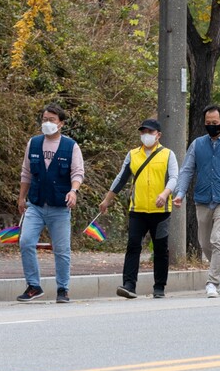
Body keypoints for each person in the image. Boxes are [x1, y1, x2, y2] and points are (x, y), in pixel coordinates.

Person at [174, 104, 220, 298]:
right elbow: (187, 170)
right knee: (205, 244)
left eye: (215, 123)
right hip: (203, 199)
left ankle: (212, 282)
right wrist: (180, 192)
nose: (211, 126)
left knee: (218, 240)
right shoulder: (197, 144)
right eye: (208, 123)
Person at [99, 118, 179, 299]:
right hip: (138, 210)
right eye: (143, 132)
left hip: (161, 211)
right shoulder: (133, 154)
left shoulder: (168, 154)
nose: (146, 136)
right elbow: (121, 178)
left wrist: (165, 194)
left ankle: (159, 286)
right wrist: (107, 200)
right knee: (133, 246)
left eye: (150, 132)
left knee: (160, 249)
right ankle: (129, 285)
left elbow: (174, 177)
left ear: (158, 135)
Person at [17, 103, 85, 303]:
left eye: (52, 120)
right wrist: (22, 197)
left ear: (61, 123)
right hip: (36, 205)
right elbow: (26, 172)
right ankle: (33, 286)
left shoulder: (71, 146)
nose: (47, 123)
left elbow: (77, 172)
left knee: (62, 250)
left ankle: (63, 289)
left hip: (59, 207)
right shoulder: (34, 143)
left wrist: (73, 191)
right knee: (26, 242)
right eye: (44, 119)